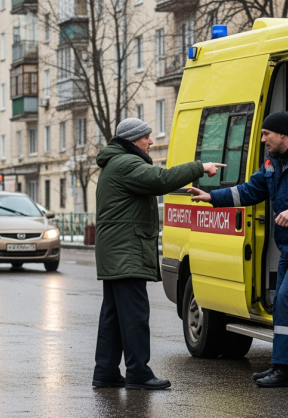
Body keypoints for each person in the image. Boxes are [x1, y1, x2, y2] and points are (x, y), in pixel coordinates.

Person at [92, 118, 225, 390]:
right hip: (126, 252)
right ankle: (138, 373)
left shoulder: (116, 163)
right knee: (134, 316)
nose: (151, 142)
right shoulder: (127, 163)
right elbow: (159, 180)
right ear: (133, 140)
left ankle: (105, 372)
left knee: (114, 316)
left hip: (117, 252)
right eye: (146, 137)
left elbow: (149, 186)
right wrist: (199, 167)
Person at [188, 111, 288, 388]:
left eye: (266, 134)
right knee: (282, 304)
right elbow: (247, 192)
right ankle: (281, 368)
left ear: (282, 134)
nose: (262, 140)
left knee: (285, 299)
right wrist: (211, 197)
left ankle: (284, 369)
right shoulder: (273, 163)